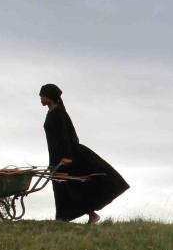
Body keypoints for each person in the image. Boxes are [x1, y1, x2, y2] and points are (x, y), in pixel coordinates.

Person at [40, 83, 130, 223]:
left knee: (70, 185)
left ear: (50, 96)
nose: (40, 97)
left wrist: (67, 156)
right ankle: (76, 216)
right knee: (63, 186)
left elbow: (65, 135)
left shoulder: (58, 112)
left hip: (65, 156)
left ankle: (68, 217)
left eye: (42, 94)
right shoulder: (51, 112)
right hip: (56, 155)